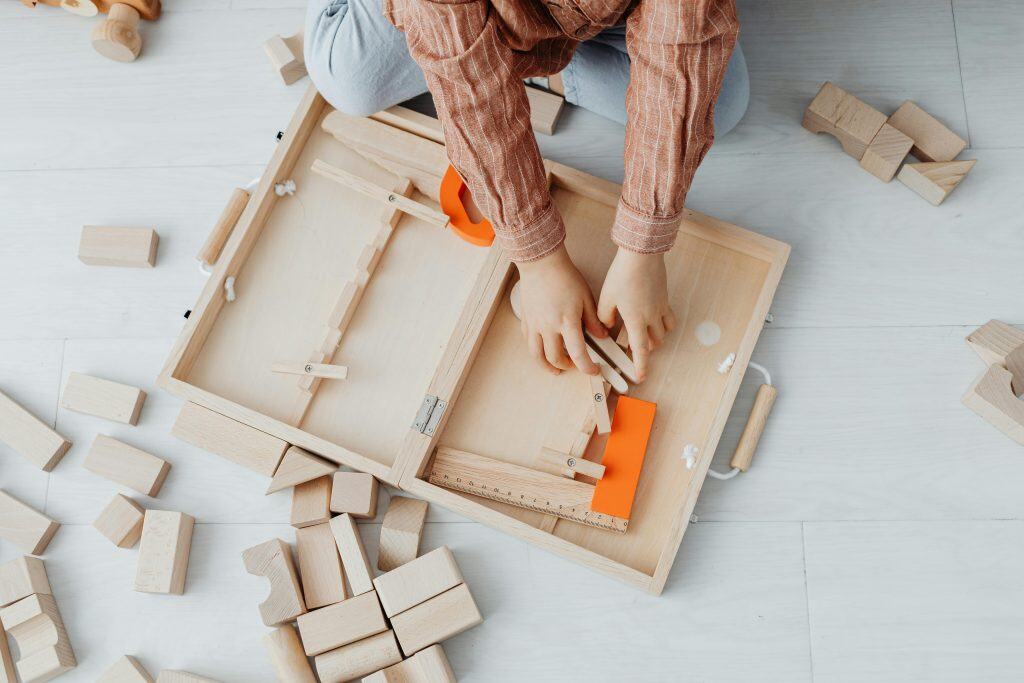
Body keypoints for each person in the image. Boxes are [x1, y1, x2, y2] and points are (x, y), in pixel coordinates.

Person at [306, 0, 746, 382]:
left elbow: (683, 46)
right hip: (450, 18)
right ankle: (519, 58)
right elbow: (467, 81)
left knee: (721, 103)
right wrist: (538, 262)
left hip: (584, 15)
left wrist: (643, 249)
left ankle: (519, 59)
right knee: (349, 81)